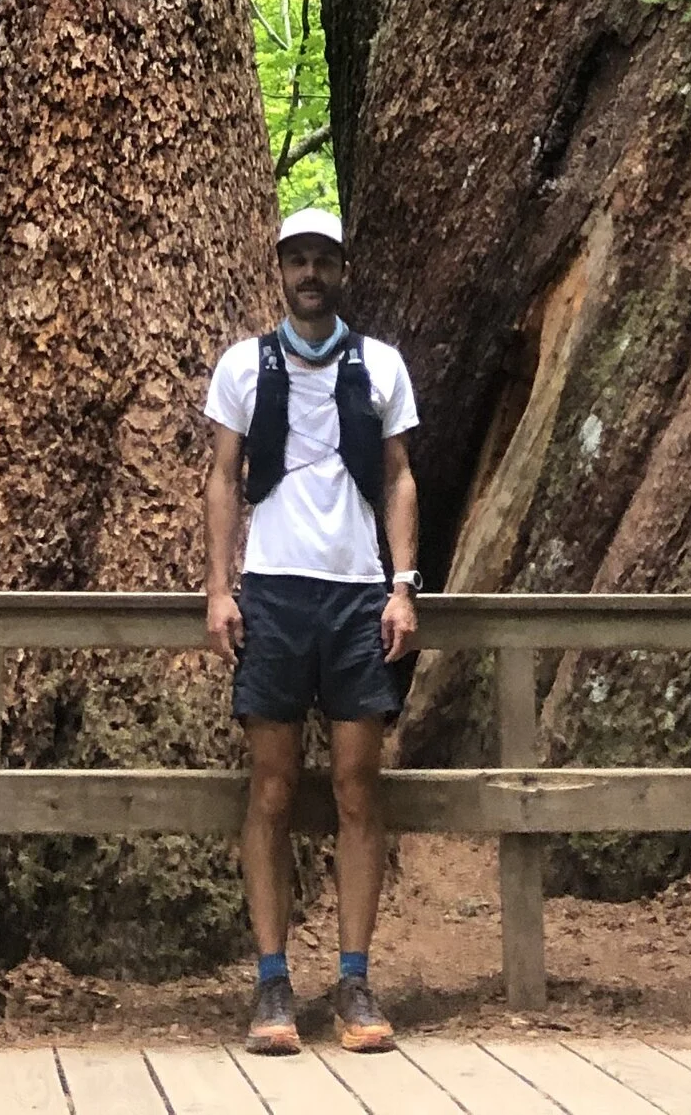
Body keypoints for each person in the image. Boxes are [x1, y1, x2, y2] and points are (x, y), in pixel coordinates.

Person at [204, 204, 422, 1055]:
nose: (309, 272)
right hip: (275, 591)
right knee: (271, 785)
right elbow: (223, 477)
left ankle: (356, 976)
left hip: (359, 592)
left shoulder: (382, 367)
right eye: (296, 258)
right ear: (279, 267)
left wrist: (402, 585)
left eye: (323, 258)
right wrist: (220, 588)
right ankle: (270, 982)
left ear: (342, 268)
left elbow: (400, 476)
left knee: (358, 786)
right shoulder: (242, 367)